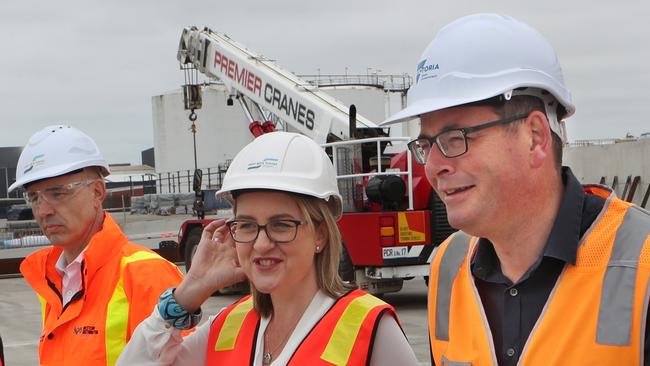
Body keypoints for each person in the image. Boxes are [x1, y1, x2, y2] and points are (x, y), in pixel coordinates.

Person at [381, 13, 650, 365]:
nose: (433, 165)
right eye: (427, 143)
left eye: (455, 138)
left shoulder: (640, 262)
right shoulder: (447, 267)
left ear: (535, 137)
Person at [117, 132, 418, 365]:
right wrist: (187, 294)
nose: (261, 244)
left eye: (282, 225)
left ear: (321, 234)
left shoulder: (369, 330)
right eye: (247, 225)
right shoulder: (228, 328)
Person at [8, 125, 185, 365]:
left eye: (58, 193)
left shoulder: (146, 274)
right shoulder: (53, 278)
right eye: (35, 197)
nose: (43, 210)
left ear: (97, 192)